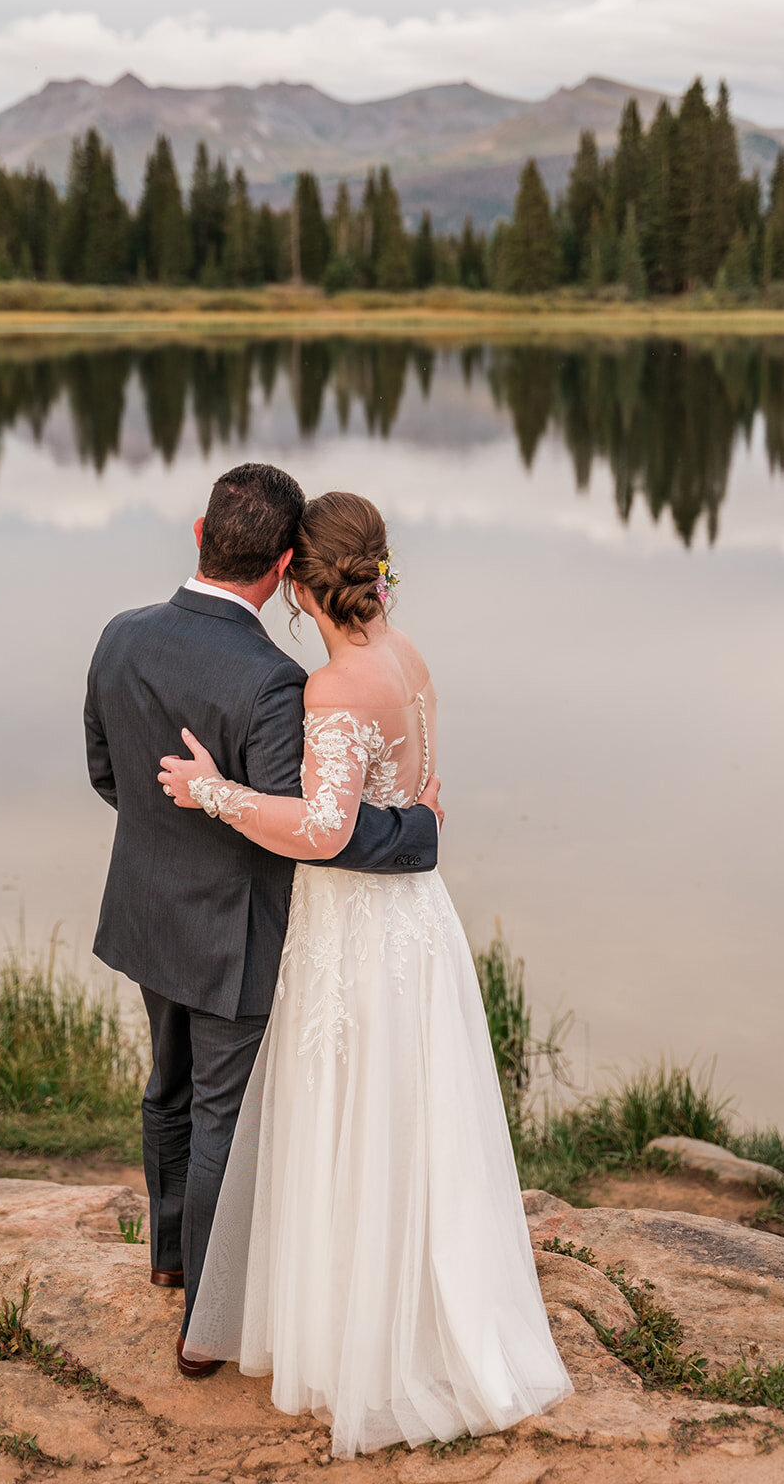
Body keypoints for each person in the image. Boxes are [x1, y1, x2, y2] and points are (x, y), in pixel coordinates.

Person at [160, 489, 573, 1457]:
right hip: (415, 922)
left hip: (353, 928)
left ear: (298, 584)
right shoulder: (410, 658)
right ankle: (418, 1306)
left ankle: (359, 1337)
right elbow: (420, 793)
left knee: (350, 1113)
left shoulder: (331, 690)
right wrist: (422, 821)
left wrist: (211, 792)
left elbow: (323, 830)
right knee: (407, 1116)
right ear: (377, 570)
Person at [84, 463, 442, 1379]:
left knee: (165, 1085)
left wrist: (180, 819)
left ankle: (169, 1255)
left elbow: (108, 776)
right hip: (236, 932)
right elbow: (313, 833)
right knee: (219, 1118)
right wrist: (416, 830)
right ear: (284, 565)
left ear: (199, 531)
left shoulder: (120, 636)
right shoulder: (276, 682)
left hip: (146, 912)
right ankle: (208, 1318)